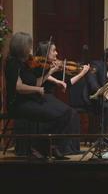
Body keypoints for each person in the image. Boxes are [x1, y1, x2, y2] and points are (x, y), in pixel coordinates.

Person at [4, 32, 76, 160]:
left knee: (67, 112)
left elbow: (38, 82)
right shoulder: (12, 63)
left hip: (32, 98)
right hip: (19, 103)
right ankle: (41, 146)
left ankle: (49, 146)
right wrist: (37, 89)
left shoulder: (27, 63)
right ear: (21, 47)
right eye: (29, 46)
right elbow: (18, 87)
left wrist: (51, 71)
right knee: (56, 115)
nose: (31, 49)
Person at [35, 41, 90, 155]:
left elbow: (67, 83)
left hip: (48, 97)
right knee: (69, 113)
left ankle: (67, 148)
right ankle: (56, 147)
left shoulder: (54, 66)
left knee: (72, 113)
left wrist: (81, 73)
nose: (57, 53)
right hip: (39, 97)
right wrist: (53, 74)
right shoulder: (38, 65)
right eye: (53, 51)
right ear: (45, 53)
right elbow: (39, 81)